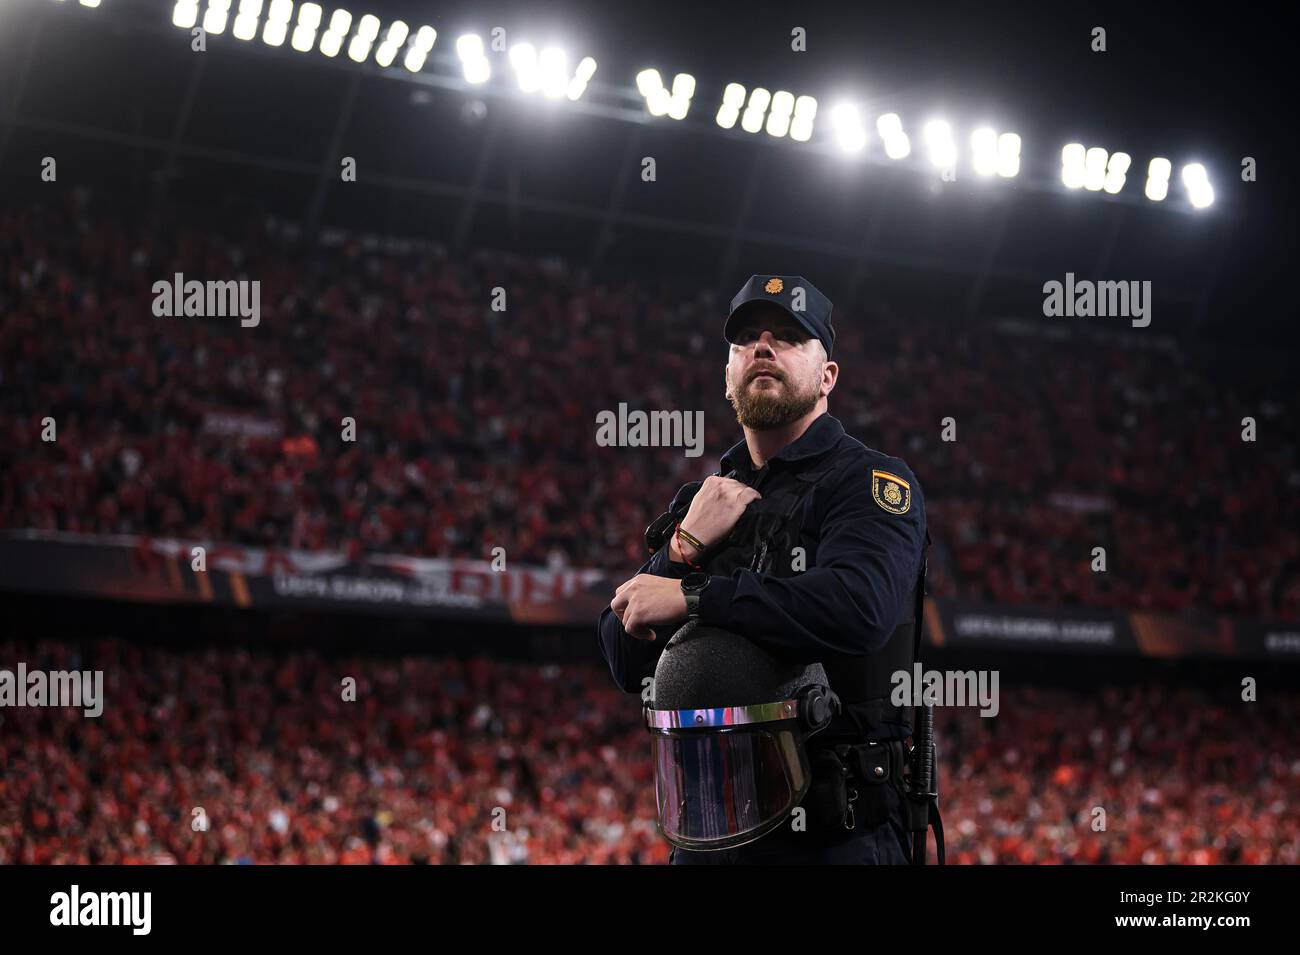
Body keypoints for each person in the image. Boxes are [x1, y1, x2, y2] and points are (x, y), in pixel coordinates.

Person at [598, 274, 933, 864]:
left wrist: (696, 597)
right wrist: (681, 548)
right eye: (747, 338)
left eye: (789, 336)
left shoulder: (871, 480)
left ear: (828, 376)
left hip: (837, 838)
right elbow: (624, 659)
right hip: (707, 832)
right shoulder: (700, 500)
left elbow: (859, 608)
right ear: (727, 377)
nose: (762, 346)